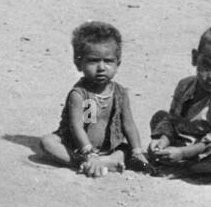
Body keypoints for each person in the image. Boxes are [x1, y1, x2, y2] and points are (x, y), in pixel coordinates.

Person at [39, 22, 149, 176]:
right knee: (48, 142)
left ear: (118, 63)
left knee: (127, 149)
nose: (101, 67)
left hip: (108, 148)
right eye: (93, 61)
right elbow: (76, 126)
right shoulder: (79, 94)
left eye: (108, 61)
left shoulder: (120, 93)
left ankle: (102, 162)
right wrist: (88, 152)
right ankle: (87, 162)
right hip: (79, 147)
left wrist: (137, 151)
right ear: (78, 63)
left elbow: (128, 124)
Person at [149, 25, 211, 180]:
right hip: (188, 136)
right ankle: (172, 156)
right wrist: (163, 140)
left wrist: (182, 153)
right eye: (207, 65)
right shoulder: (185, 85)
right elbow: (173, 119)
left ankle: (187, 168)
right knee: (159, 117)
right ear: (195, 58)